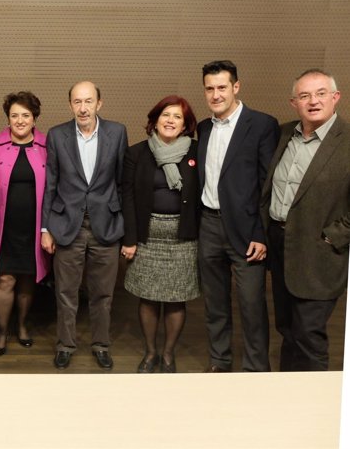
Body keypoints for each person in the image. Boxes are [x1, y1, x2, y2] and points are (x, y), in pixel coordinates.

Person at [261, 69, 349, 371]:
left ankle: (314, 408)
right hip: (281, 246)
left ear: (335, 97)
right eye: (304, 95)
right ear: (293, 102)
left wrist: (332, 237)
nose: (313, 101)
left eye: (321, 93)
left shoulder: (347, 142)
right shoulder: (284, 134)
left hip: (319, 253)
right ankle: (288, 394)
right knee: (287, 328)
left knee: (309, 335)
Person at [197, 60, 279, 372]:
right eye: (209, 88)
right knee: (214, 303)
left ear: (236, 87)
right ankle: (219, 362)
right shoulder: (203, 128)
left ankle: (256, 368)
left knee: (251, 304)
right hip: (209, 225)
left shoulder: (261, 124)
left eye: (221, 87)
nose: (216, 94)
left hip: (247, 231)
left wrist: (261, 232)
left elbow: (266, 183)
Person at [42, 81, 128, 370]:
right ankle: (65, 345)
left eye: (88, 101)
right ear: (70, 105)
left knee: (103, 293)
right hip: (67, 225)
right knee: (66, 293)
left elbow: (121, 182)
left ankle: (101, 344)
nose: (83, 108)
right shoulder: (56, 135)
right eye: (77, 102)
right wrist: (45, 229)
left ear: (99, 104)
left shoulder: (117, 133)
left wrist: (124, 225)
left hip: (106, 225)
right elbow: (50, 185)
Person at [121, 95, 200, 373]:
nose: (170, 121)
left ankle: (168, 354)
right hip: (148, 235)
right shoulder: (137, 153)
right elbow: (127, 198)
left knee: (176, 298)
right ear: (154, 120)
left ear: (185, 125)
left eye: (177, 117)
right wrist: (130, 239)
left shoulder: (196, 152)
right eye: (166, 115)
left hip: (183, 237)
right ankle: (151, 352)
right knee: (149, 297)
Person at [0, 91, 50, 356]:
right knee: (5, 280)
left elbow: (55, 189)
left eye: (25, 115)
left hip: (35, 226)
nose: (20, 120)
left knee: (27, 279)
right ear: (8, 118)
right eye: (14, 115)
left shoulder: (49, 145)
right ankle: (2, 332)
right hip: (4, 227)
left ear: (35, 118)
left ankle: (23, 326)